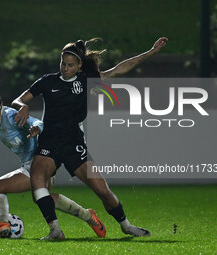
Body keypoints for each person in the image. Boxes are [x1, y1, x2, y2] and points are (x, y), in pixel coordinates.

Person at [11, 37, 168, 240]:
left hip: (74, 143)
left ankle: (126, 226)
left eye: (70, 65)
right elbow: (17, 99)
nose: (65, 68)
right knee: (36, 179)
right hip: (49, 142)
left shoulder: (86, 82)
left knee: (102, 190)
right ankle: (55, 230)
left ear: (79, 66)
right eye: (62, 64)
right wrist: (22, 106)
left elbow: (119, 69)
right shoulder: (47, 82)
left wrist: (151, 52)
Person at [0, 84, 106, 238]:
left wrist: (36, 128)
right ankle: (88, 216)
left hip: (39, 162)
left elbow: (37, 122)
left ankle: (3, 223)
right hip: (40, 161)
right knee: (43, 199)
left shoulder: (10, 116)